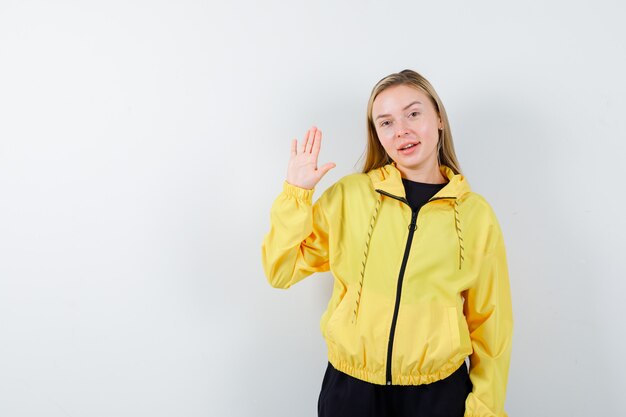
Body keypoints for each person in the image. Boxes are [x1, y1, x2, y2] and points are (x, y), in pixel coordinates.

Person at [261, 69, 513, 417]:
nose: (401, 131)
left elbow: (491, 324)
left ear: (438, 118)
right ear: (377, 134)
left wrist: (484, 410)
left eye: (413, 113)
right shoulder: (350, 197)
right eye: (386, 122)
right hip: (351, 393)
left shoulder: (475, 216)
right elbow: (281, 270)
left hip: (438, 397)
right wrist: (297, 194)